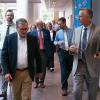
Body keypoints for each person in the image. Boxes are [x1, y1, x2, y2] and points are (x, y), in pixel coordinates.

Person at [1, 18, 42, 100]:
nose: (24, 31)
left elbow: (37, 55)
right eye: (21, 29)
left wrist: (39, 70)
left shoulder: (32, 39)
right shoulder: (9, 38)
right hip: (14, 73)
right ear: (16, 28)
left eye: (26, 29)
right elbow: (4, 56)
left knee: (26, 97)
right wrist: (6, 72)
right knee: (16, 97)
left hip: (28, 72)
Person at [69, 8, 100, 100]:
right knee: (76, 91)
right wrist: (71, 49)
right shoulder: (77, 30)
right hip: (78, 65)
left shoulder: (98, 30)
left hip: (93, 66)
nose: (78, 18)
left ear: (88, 17)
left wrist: (97, 55)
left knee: (92, 94)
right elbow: (72, 45)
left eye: (80, 16)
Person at [54, 17, 73, 96]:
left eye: (60, 24)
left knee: (70, 68)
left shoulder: (72, 31)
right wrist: (58, 42)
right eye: (58, 24)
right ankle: (64, 88)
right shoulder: (58, 33)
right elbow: (54, 41)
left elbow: (75, 40)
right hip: (62, 52)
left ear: (64, 22)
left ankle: (64, 79)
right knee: (63, 69)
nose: (59, 25)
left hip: (70, 52)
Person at [0, 9, 16, 99]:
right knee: (3, 71)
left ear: (13, 16)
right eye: (8, 15)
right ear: (5, 16)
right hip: (2, 51)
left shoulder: (16, 27)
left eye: (11, 15)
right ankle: (4, 91)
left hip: (12, 52)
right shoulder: (1, 26)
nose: (9, 16)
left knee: (13, 71)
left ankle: (14, 91)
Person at [32, 20, 51, 88]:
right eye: (39, 24)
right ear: (37, 24)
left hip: (44, 51)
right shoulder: (32, 32)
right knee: (35, 67)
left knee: (43, 68)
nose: (41, 25)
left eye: (42, 24)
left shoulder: (46, 31)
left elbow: (49, 42)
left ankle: (42, 82)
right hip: (35, 53)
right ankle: (36, 82)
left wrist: (49, 51)